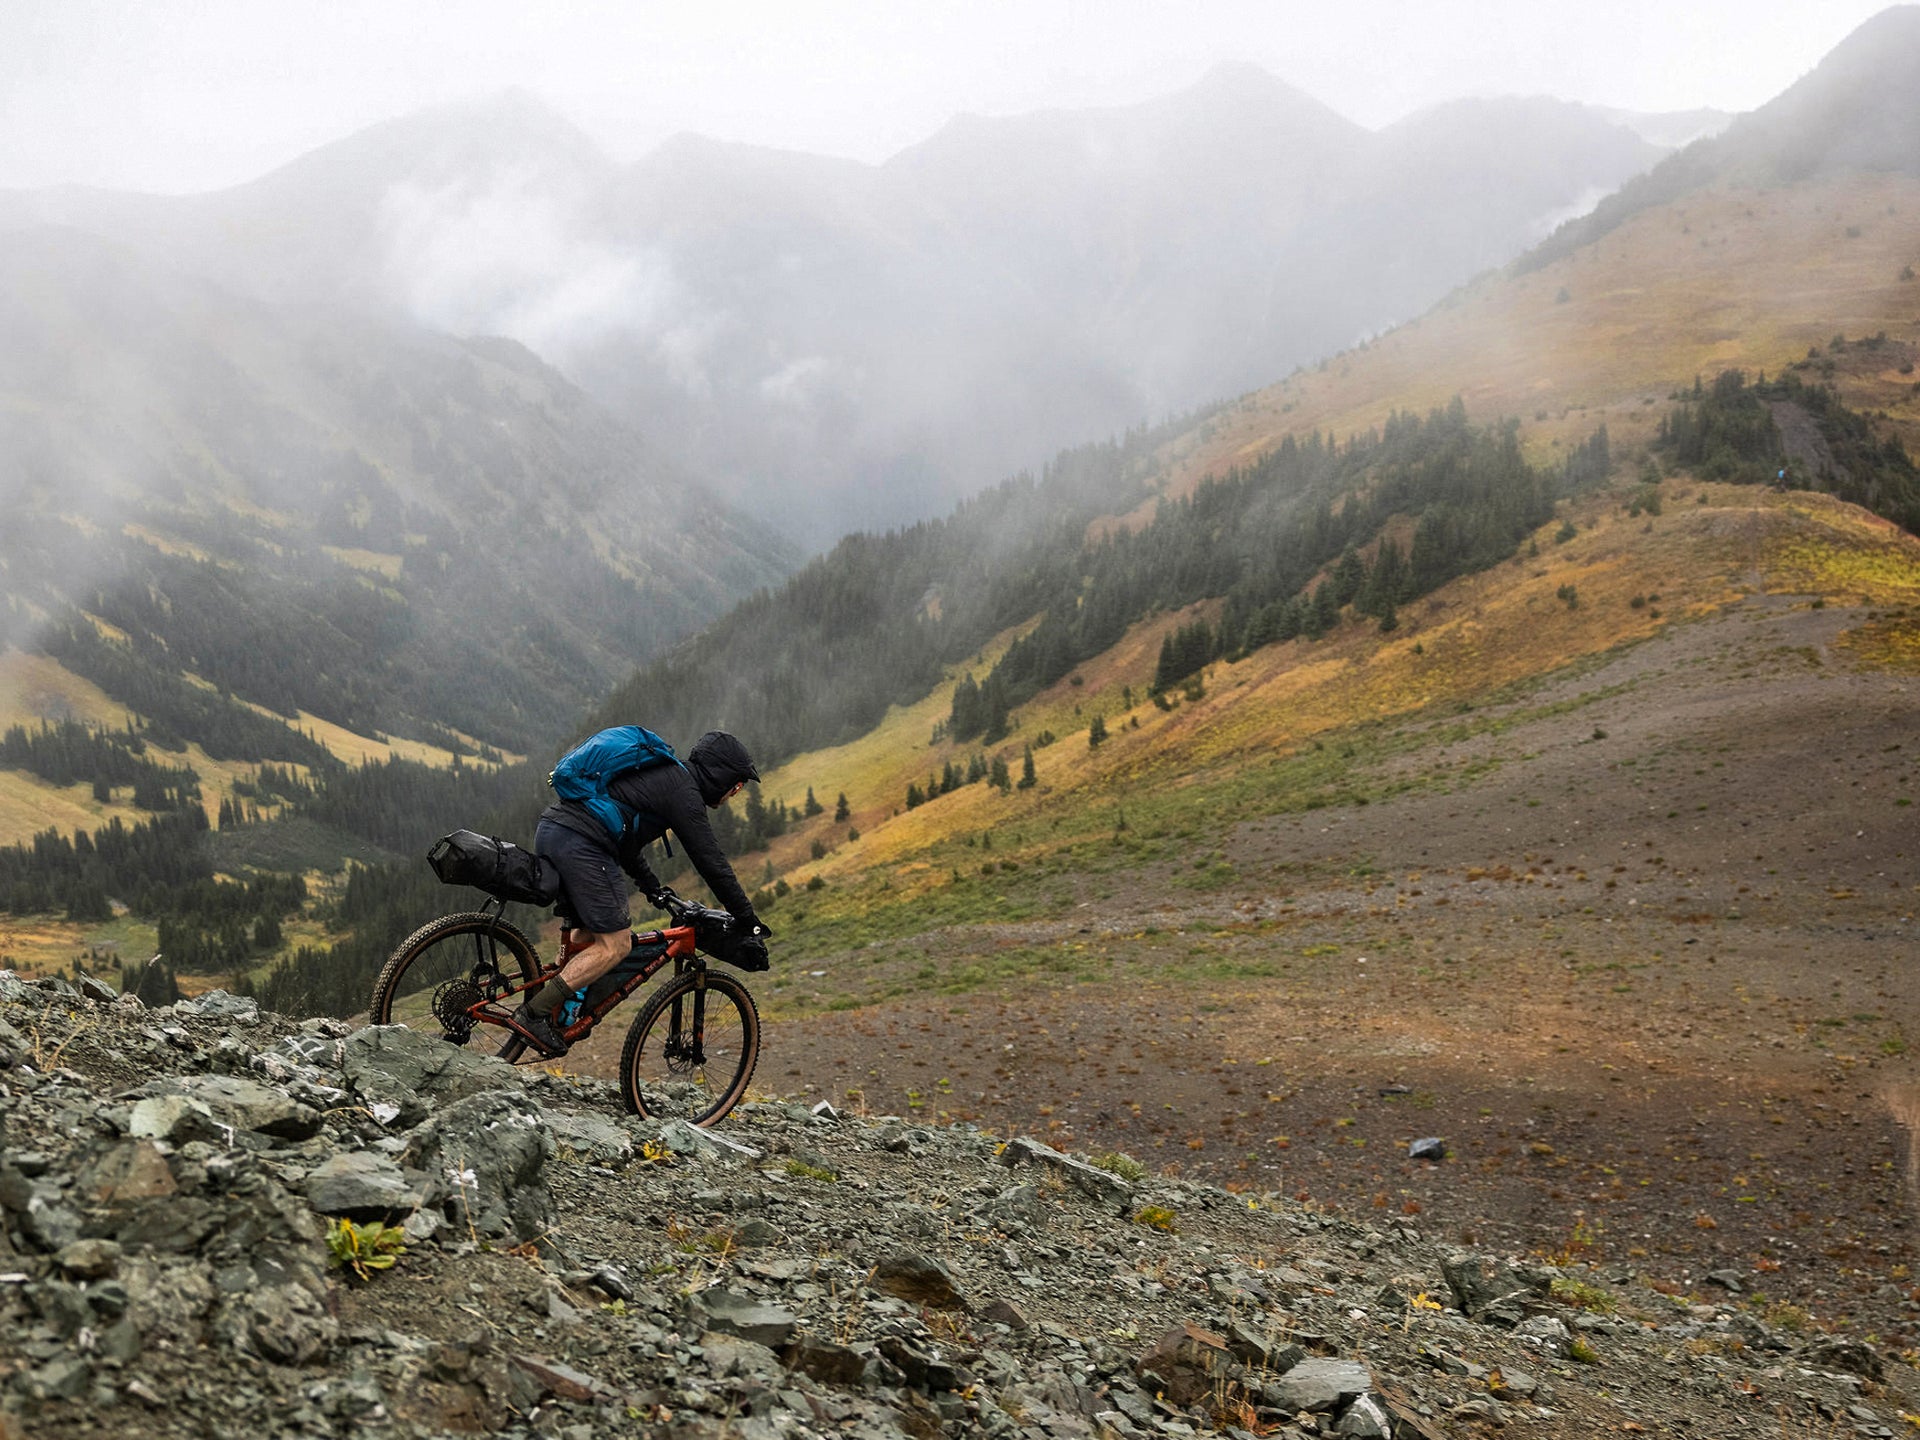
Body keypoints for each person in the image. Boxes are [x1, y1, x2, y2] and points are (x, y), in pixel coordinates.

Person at [508, 729, 771, 1057]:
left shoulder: (666, 777)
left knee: (586, 934)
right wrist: (748, 918)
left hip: (556, 830)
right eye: (737, 785)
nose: (735, 793)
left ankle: (561, 1014)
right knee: (615, 944)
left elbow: (627, 843)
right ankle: (534, 1014)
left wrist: (652, 889)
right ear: (724, 777)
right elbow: (711, 862)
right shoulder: (684, 791)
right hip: (583, 843)